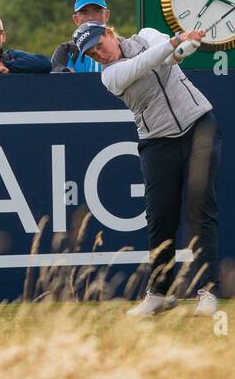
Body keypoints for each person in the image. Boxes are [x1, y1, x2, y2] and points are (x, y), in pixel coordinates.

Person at [74, 21, 221, 317]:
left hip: (199, 126)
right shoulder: (111, 76)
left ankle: (208, 291)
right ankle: (158, 295)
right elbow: (144, 63)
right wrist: (176, 43)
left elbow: (165, 55)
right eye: (91, 54)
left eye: (99, 45)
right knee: (160, 218)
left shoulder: (148, 35)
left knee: (199, 208)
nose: (98, 54)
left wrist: (180, 50)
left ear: (110, 33)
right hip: (157, 142)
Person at [51, 0, 109, 73]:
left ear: (106, 15)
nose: (91, 17)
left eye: (97, 11)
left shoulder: (122, 46)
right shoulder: (65, 50)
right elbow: (56, 78)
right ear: (76, 19)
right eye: (84, 13)